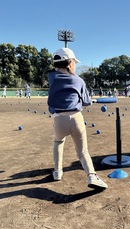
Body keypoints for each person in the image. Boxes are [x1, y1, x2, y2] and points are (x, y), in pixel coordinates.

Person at [47, 47, 108, 189]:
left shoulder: (51, 78)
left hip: (59, 119)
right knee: (82, 152)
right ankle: (92, 176)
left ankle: (57, 172)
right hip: (75, 118)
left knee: (58, 141)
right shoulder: (79, 80)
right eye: (74, 62)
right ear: (69, 64)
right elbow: (86, 102)